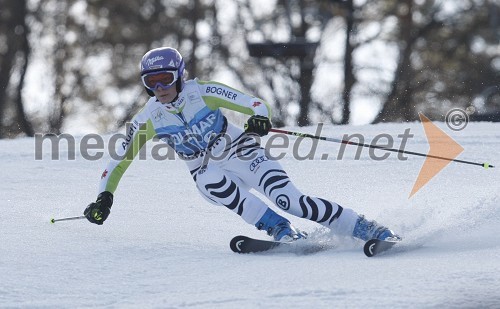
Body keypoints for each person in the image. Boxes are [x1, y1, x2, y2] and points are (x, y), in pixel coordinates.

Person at [84, 47, 401, 243]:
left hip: (240, 150)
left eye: (165, 78)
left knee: (292, 201)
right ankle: (280, 230)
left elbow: (254, 103)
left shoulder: (203, 91)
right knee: (209, 180)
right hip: (205, 168)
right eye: (150, 83)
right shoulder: (148, 118)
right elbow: (118, 160)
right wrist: (104, 198)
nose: (159, 88)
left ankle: (364, 227)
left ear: (179, 76)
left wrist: (260, 119)